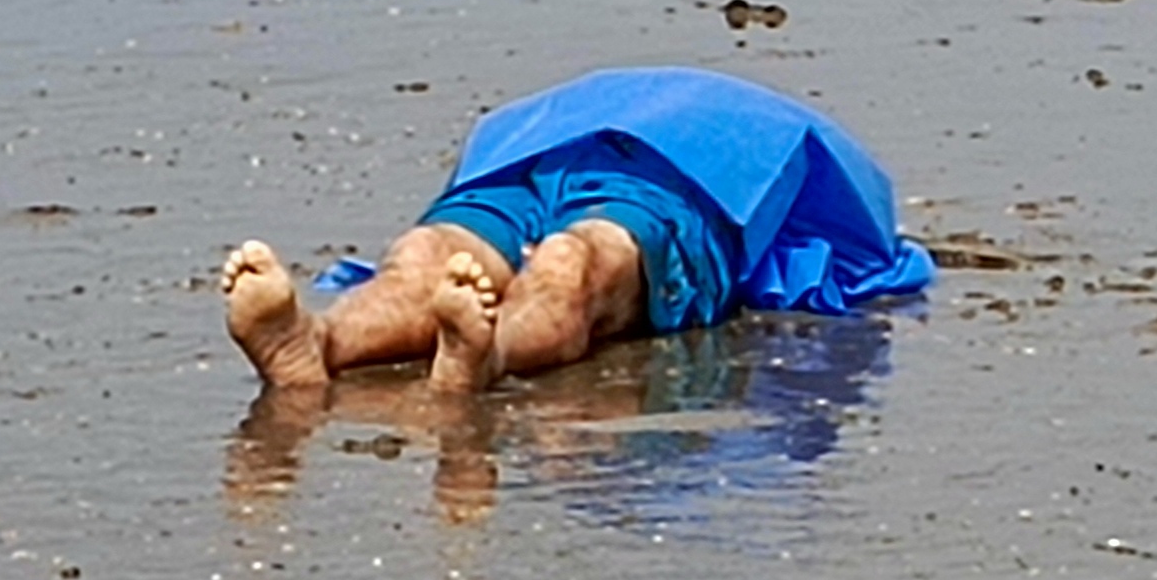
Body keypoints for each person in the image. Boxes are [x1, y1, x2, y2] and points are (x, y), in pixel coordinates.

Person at [219, 66, 930, 401]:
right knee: (443, 258)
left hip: (635, 181)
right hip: (548, 165)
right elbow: (861, 243)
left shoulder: (763, 133)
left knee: (541, 260)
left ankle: (465, 348)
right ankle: (322, 342)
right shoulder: (771, 130)